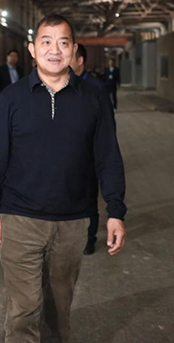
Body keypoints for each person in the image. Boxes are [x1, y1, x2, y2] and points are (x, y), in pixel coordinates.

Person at [0, 14, 127, 342]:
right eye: (46, 42)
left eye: (63, 43)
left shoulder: (94, 99)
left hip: (72, 222)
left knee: (59, 310)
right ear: (32, 49)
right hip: (19, 218)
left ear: (74, 49)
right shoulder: (11, 98)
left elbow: (108, 158)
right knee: (24, 309)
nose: (54, 50)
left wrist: (115, 211)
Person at [69, 44, 110, 256]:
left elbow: (107, 124)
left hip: (89, 155)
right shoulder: (63, 84)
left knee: (89, 199)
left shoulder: (95, 87)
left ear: (80, 60)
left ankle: (89, 239)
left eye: (69, 58)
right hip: (68, 154)